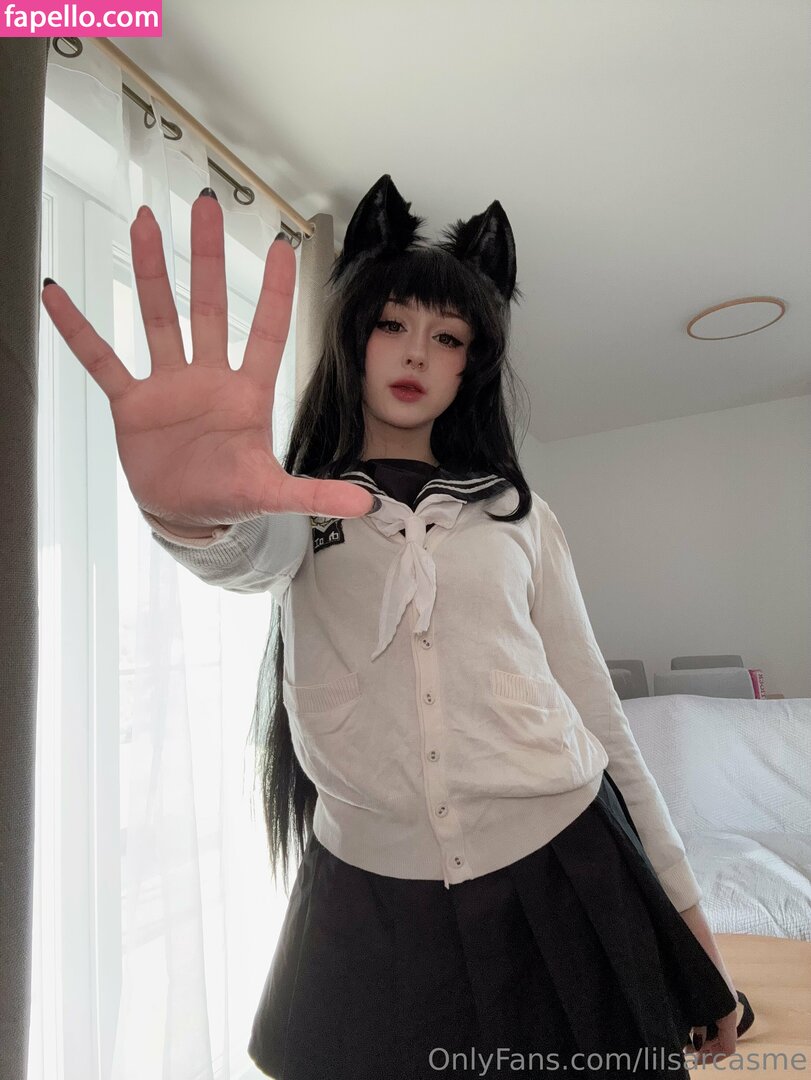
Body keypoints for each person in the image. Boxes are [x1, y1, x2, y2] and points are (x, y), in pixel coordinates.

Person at [41, 173, 753, 1080]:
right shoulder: (298, 506)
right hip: (369, 896)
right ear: (354, 336)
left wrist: (695, 937)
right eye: (391, 323)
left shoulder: (520, 517)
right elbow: (245, 552)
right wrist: (186, 514)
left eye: (447, 336)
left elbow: (600, 718)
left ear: (470, 364)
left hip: (565, 860)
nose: (417, 351)